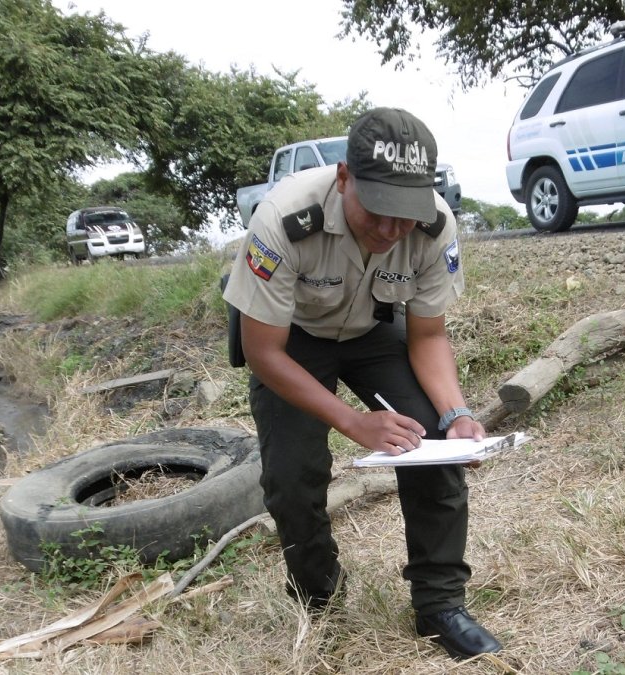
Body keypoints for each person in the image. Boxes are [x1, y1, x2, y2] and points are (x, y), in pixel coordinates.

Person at [222, 107, 502, 660]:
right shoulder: (283, 217)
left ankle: (440, 604)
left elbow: (426, 337)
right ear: (344, 177)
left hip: (372, 327)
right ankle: (318, 593)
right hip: (292, 337)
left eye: (405, 215)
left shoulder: (434, 225)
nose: (390, 230)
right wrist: (353, 422)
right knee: (292, 477)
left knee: (434, 448)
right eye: (379, 211)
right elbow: (263, 352)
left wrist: (455, 414)